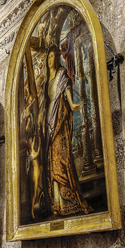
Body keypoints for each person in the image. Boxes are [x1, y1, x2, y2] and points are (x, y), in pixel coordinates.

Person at [45, 46, 93, 216]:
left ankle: (69, 200)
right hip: (49, 122)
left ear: (56, 57)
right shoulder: (47, 81)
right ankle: (57, 202)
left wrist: (72, 104)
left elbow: (66, 89)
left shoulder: (61, 73)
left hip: (59, 116)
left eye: (52, 56)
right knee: (53, 160)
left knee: (61, 156)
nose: (50, 59)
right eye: (48, 57)